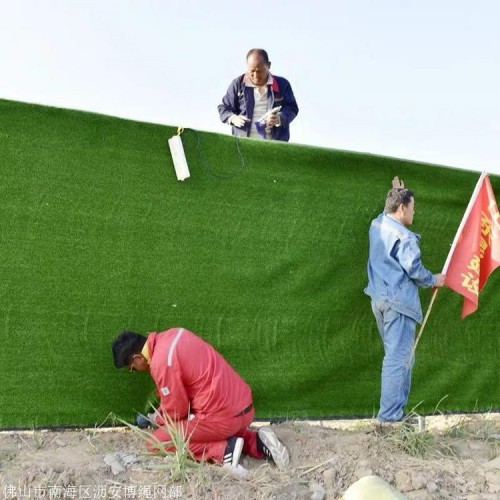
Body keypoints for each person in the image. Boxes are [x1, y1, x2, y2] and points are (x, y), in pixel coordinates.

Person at [111, 327, 290, 471]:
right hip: (243, 407)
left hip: (223, 418)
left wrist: (156, 419)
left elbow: (177, 410)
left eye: (132, 368)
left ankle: (223, 450)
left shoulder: (160, 363)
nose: (134, 370)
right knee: (195, 423)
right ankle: (256, 441)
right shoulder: (175, 334)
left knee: (155, 442)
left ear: (137, 357)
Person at [364, 177, 446, 423]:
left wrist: (398, 192)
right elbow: (414, 269)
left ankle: (395, 414)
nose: (414, 211)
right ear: (401, 209)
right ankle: (389, 419)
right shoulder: (405, 237)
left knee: (399, 358)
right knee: (398, 360)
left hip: (379, 300)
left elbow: (386, 215)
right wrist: (434, 279)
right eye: (411, 207)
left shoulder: (377, 225)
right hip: (399, 303)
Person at [218, 48, 299, 141]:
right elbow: (224, 108)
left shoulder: (282, 84)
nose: (256, 76)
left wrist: (279, 118)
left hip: (274, 145)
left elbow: (292, 108)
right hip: (243, 144)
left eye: (259, 71)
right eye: (252, 71)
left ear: (268, 65)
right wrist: (233, 118)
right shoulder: (237, 84)